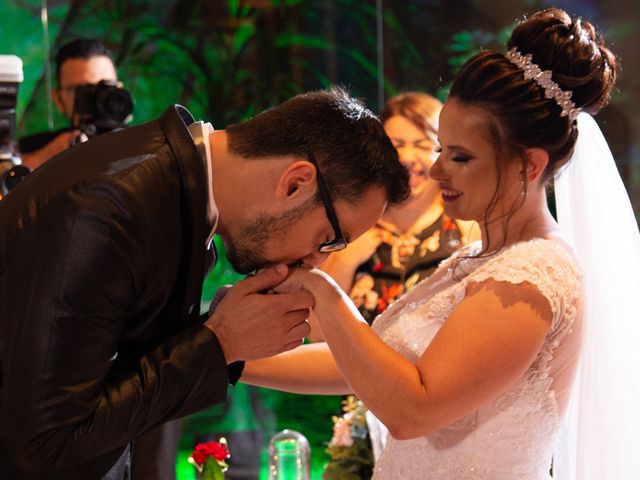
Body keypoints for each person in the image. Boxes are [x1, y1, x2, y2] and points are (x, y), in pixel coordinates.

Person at [243, 8, 640, 479]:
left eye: (460, 156)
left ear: (528, 166)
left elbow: (414, 410)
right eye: (439, 151)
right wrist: (229, 357)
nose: (435, 172)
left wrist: (326, 296)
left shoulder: (531, 276)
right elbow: (364, 364)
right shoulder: (477, 260)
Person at [0, 87, 410, 479]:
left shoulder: (166, 194)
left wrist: (218, 342)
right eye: (328, 240)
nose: (317, 262)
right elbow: (44, 444)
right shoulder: (109, 209)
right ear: (295, 183)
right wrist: (219, 344)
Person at [319, 92, 477, 328]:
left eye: (423, 145)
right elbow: (317, 333)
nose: (406, 158)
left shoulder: (468, 228)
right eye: (396, 145)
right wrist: (345, 261)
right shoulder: (349, 225)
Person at [18, 38, 121, 170]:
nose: (94, 97)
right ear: (58, 98)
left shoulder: (143, 144)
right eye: (79, 90)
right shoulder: (33, 148)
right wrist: (46, 157)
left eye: (103, 87)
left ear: (119, 91)